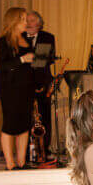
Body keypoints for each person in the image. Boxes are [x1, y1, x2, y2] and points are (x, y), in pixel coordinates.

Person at [0, 7, 35, 170]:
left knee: (25, 124)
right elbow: (2, 65)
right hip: (10, 88)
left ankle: (21, 162)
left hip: (26, 87)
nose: (27, 22)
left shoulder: (27, 39)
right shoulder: (3, 41)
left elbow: (32, 64)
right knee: (10, 124)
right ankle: (10, 164)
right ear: (14, 21)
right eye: (24, 19)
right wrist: (22, 59)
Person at [24, 10, 56, 156]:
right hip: (24, 82)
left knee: (45, 115)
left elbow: (43, 60)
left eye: (31, 21)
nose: (28, 24)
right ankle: (26, 148)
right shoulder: (19, 37)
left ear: (38, 23)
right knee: (25, 115)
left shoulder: (47, 37)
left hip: (43, 81)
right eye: (26, 21)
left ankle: (45, 148)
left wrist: (40, 84)